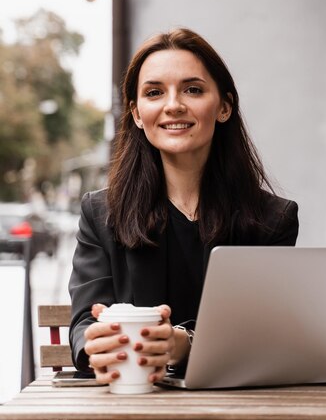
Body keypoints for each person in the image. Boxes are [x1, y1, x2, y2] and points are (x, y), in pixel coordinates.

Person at [69, 27, 299, 386]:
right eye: (154, 92)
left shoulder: (272, 219)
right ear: (136, 113)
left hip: (238, 406)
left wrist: (185, 345)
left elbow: (265, 335)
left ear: (224, 107)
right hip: (135, 404)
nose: (173, 104)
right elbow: (85, 321)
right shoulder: (100, 214)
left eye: (192, 89)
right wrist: (94, 346)